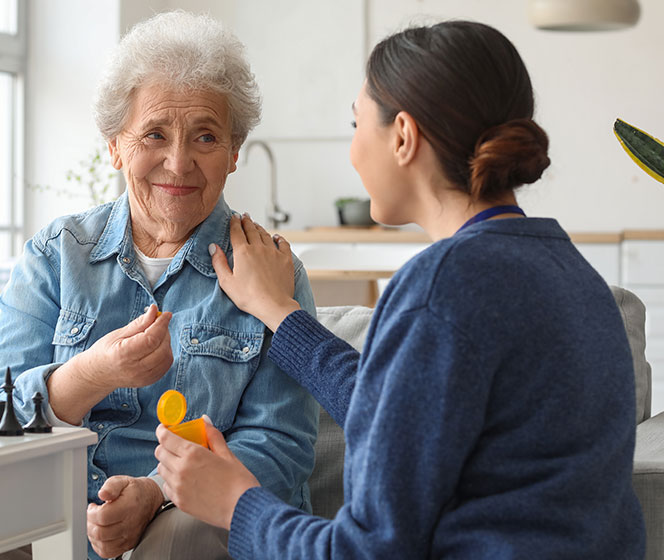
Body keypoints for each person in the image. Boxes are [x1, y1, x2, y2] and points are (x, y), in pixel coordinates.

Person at [154, 20, 646, 558]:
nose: (351, 152)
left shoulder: (440, 289)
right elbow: (398, 409)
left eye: (355, 124)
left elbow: (367, 551)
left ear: (404, 136)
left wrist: (235, 502)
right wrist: (279, 312)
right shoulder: (570, 272)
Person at [0, 11, 319, 560]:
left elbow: (282, 445)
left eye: (205, 136)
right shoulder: (55, 256)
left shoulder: (271, 270)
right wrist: (90, 374)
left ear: (233, 152)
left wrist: (156, 494)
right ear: (115, 146)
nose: (178, 163)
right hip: (59, 520)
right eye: (154, 133)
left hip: (191, 525)